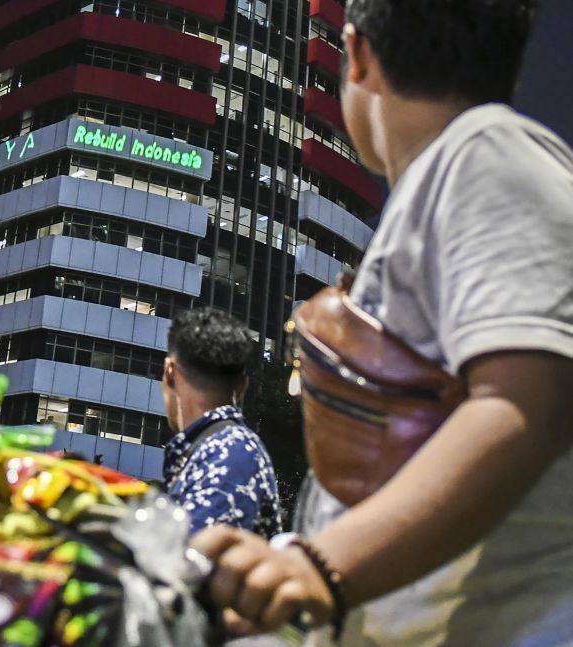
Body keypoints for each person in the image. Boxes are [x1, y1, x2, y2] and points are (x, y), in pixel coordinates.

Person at [191, 0, 573, 644]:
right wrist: (283, 565)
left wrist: (317, 567)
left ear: (358, 55)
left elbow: (524, 402)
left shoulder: (486, 151)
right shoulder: (455, 177)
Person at [161, 307, 281, 538]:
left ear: (169, 372)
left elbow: (185, 566)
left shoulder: (231, 451)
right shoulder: (230, 449)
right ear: (242, 388)